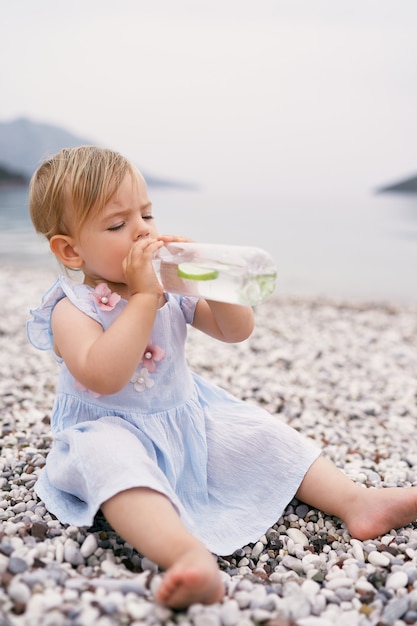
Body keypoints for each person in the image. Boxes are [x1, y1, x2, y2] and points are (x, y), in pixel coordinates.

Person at [27, 146, 417, 609]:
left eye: (147, 215)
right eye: (117, 225)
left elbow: (235, 331)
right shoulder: (72, 308)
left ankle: (357, 501)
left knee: (263, 435)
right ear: (71, 249)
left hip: (185, 418)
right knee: (117, 468)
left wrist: (213, 280)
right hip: (108, 427)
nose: (143, 231)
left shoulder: (169, 283)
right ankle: (186, 555)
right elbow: (105, 374)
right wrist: (146, 299)